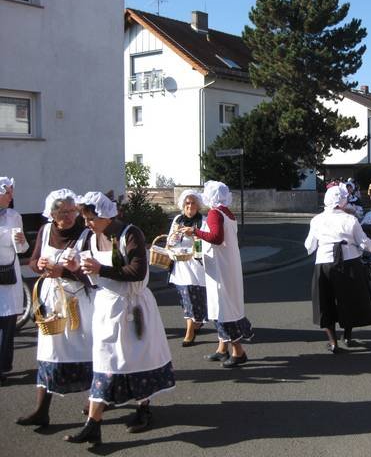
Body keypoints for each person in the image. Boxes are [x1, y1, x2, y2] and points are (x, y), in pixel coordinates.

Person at [64, 192, 175, 444]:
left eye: (91, 218)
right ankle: (93, 424)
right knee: (105, 361)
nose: (87, 223)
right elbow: (93, 280)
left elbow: (138, 271)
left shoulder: (130, 233)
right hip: (107, 308)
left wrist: (100, 269)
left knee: (139, 358)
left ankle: (144, 408)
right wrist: (76, 270)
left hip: (134, 307)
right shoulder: (90, 238)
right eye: (85, 218)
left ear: (105, 215)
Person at [16, 190, 94, 428]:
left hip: (78, 303)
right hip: (52, 302)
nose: (69, 216)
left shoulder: (86, 234)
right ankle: (42, 410)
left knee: (86, 350)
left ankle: (94, 403)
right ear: (51, 214)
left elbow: (93, 275)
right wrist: (38, 265)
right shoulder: (45, 230)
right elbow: (32, 261)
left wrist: (67, 271)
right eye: (62, 212)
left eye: (71, 211)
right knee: (49, 352)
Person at [185, 181, 253, 368]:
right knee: (224, 306)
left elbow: (216, 237)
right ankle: (222, 349)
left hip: (220, 268)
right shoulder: (226, 212)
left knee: (222, 308)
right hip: (227, 265)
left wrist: (195, 231)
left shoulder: (215, 213)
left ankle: (238, 352)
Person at [305, 185, 371, 353]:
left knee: (325, 302)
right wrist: (370, 247)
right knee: (350, 300)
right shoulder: (350, 220)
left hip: (324, 263)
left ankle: (333, 343)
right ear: (342, 202)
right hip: (349, 262)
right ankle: (347, 336)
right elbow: (364, 242)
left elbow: (309, 245)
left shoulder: (316, 220)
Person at [168, 189, 207, 347]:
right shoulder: (178, 219)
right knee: (186, 299)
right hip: (180, 265)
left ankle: (195, 325)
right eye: (187, 203)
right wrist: (176, 235)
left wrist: (195, 235)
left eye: (193, 203)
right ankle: (191, 330)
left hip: (196, 266)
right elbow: (170, 241)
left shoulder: (203, 221)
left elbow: (207, 243)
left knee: (198, 299)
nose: (190, 206)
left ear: (198, 205)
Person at [0, 177, 28, 386]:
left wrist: (22, 242)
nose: (11, 196)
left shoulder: (14, 216)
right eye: (7, 192)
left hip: (8, 276)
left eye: (12, 192)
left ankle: (2, 368)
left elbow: (22, 249)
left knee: (7, 325)